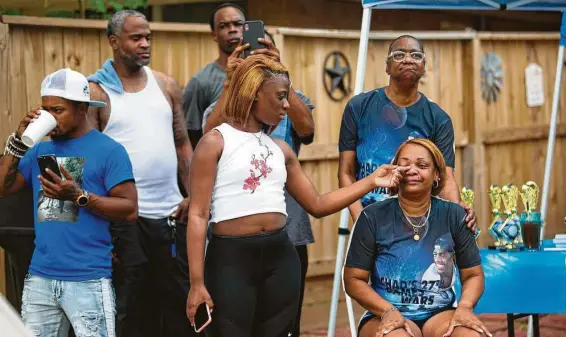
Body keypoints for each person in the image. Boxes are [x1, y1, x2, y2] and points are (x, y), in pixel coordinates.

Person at [185, 55, 407, 337]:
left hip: (281, 258)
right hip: (230, 259)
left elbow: (318, 204)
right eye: (280, 97)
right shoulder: (215, 142)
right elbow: (198, 214)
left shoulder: (281, 149)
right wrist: (196, 282)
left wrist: (371, 181)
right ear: (254, 95)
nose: (287, 105)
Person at [0, 68, 138, 337]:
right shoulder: (41, 148)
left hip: (87, 278)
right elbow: (3, 188)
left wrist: (79, 196)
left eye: (58, 110)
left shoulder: (110, 151)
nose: (50, 117)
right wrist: (17, 143)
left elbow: (129, 209)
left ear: (82, 108)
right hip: (40, 276)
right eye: (45, 109)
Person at [201, 30, 316, 337]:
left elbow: (307, 129)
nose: (284, 106)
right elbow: (210, 134)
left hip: (285, 237)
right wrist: (233, 81)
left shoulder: (284, 111)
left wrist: (281, 77)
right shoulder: (220, 124)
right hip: (232, 251)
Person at [87, 10, 194, 337]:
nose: (145, 44)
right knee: (133, 306)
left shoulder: (165, 85)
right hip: (125, 219)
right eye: (136, 38)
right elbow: (88, 162)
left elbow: (182, 144)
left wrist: (193, 196)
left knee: (177, 299)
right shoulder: (96, 93)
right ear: (114, 42)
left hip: (170, 213)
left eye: (148, 37)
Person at [343, 138, 490, 337]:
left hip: (440, 313)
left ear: (437, 174)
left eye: (422, 165)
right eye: (404, 166)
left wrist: (464, 307)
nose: (412, 170)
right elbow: (353, 279)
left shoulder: (454, 215)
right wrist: (387, 311)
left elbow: (473, 274)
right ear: (395, 172)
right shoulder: (372, 216)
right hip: (385, 311)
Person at [338, 35, 477, 232]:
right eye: (399, 54)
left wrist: (455, 211)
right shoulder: (359, 107)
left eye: (416, 55)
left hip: (417, 224)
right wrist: (360, 219)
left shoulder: (438, 118)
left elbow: (445, 179)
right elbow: (345, 173)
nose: (408, 59)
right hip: (369, 217)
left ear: (423, 66)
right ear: (387, 66)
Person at [182, 2, 246, 149]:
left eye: (238, 24)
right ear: (214, 35)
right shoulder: (201, 81)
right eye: (224, 26)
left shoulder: (263, 74)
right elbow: (193, 135)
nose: (232, 30)